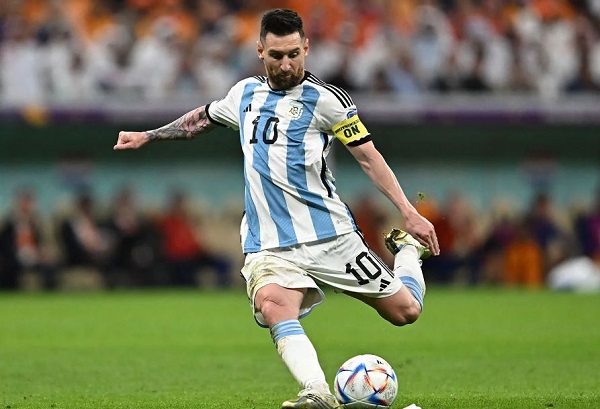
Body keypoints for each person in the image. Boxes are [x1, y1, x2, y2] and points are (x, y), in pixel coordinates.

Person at [114, 8, 439, 409]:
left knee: (405, 311)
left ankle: (407, 251)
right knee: (273, 304)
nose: (286, 65)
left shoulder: (328, 101)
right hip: (268, 241)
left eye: (293, 54)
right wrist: (149, 135)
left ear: (306, 48)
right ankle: (317, 391)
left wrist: (408, 211)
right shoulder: (244, 94)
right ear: (260, 51)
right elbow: (202, 119)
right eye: (276, 56)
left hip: (330, 235)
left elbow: (369, 157)